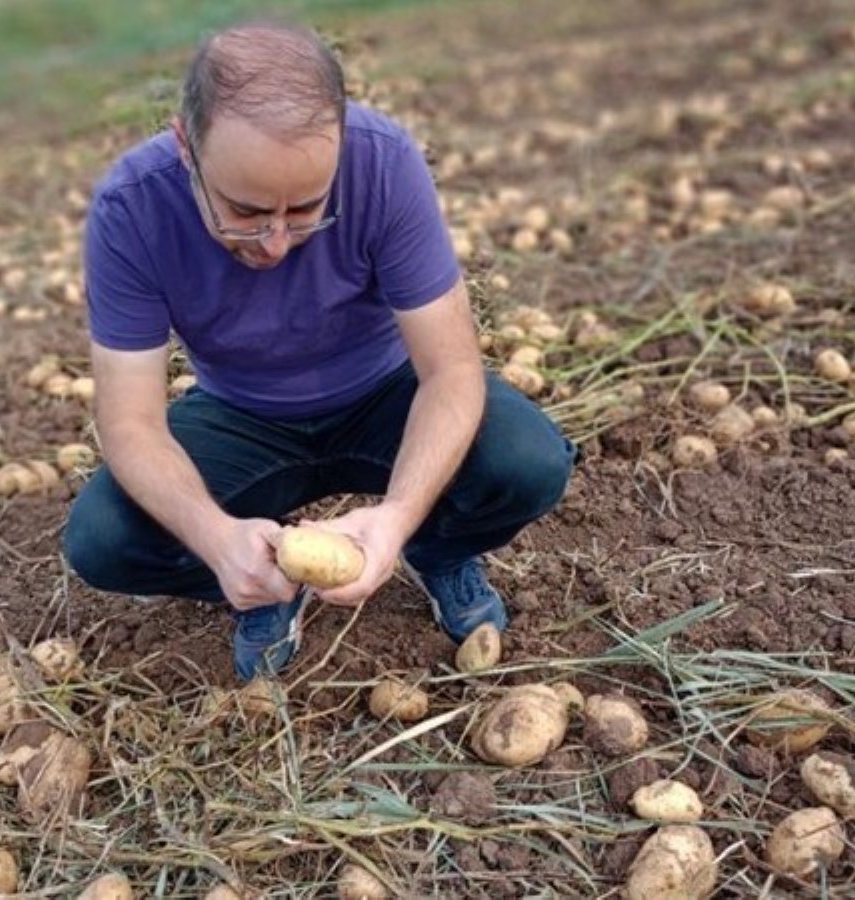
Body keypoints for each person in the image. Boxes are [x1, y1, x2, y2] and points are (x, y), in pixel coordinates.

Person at [63, 20, 575, 681]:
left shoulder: (383, 163)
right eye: (245, 212)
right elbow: (130, 424)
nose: (276, 243)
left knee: (526, 461)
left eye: (305, 209)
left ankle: (438, 549)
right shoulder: (131, 209)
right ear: (186, 146)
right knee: (104, 540)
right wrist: (217, 540)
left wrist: (398, 516)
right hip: (241, 417)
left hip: (384, 394)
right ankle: (261, 582)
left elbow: (450, 371)